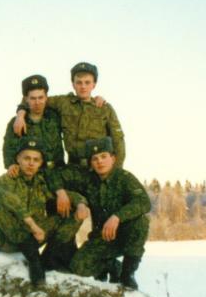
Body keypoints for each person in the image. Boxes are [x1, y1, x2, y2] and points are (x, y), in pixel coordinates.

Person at [13, 62, 125, 218]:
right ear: (73, 84)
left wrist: (115, 173)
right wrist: (20, 114)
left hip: (98, 170)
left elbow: (118, 141)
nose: (83, 87)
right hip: (72, 170)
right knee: (65, 212)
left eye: (87, 82)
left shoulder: (104, 108)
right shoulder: (63, 103)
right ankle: (65, 242)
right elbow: (35, 99)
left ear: (94, 84)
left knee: (102, 216)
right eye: (79, 82)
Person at [0, 138, 89, 285]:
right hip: (11, 239)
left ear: (41, 163)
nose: (31, 163)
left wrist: (81, 203)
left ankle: (50, 257)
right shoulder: (6, 180)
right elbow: (14, 204)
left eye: (36, 160)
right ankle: (35, 261)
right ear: (18, 159)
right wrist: (33, 226)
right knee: (2, 207)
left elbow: (67, 195)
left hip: (34, 236)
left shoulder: (40, 182)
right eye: (26, 158)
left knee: (69, 214)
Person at [65, 137, 150, 290]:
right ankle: (111, 265)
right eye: (95, 158)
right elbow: (68, 189)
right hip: (102, 236)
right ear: (91, 163)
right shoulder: (89, 181)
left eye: (104, 157)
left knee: (141, 221)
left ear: (113, 158)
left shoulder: (125, 178)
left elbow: (144, 202)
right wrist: (77, 201)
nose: (100, 162)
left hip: (125, 235)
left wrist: (117, 217)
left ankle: (127, 274)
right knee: (78, 267)